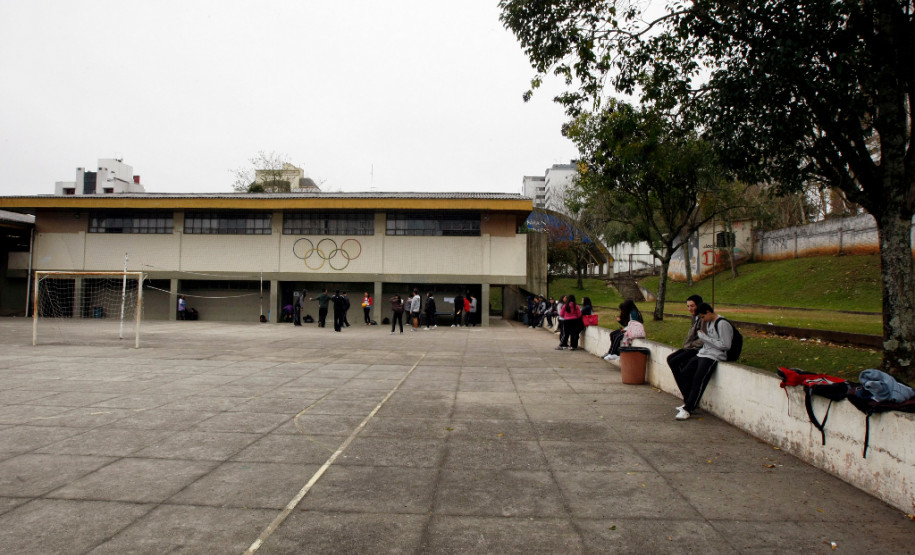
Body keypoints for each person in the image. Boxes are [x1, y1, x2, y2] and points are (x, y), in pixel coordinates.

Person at [674, 303, 733, 421]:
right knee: (685, 372)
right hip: (704, 352)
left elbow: (726, 345)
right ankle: (689, 401)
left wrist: (705, 338)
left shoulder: (722, 324)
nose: (702, 320)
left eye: (702, 317)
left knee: (698, 379)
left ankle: (688, 409)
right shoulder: (709, 322)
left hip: (714, 355)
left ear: (708, 312)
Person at [667, 295, 705, 378]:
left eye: (692, 306)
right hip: (690, 347)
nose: (689, 309)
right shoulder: (694, 317)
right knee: (670, 359)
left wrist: (691, 344)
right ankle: (683, 385)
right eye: (688, 306)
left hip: (697, 349)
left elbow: (704, 339)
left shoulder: (703, 319)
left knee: (675, 362)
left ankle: (685, 387)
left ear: (699, 305)